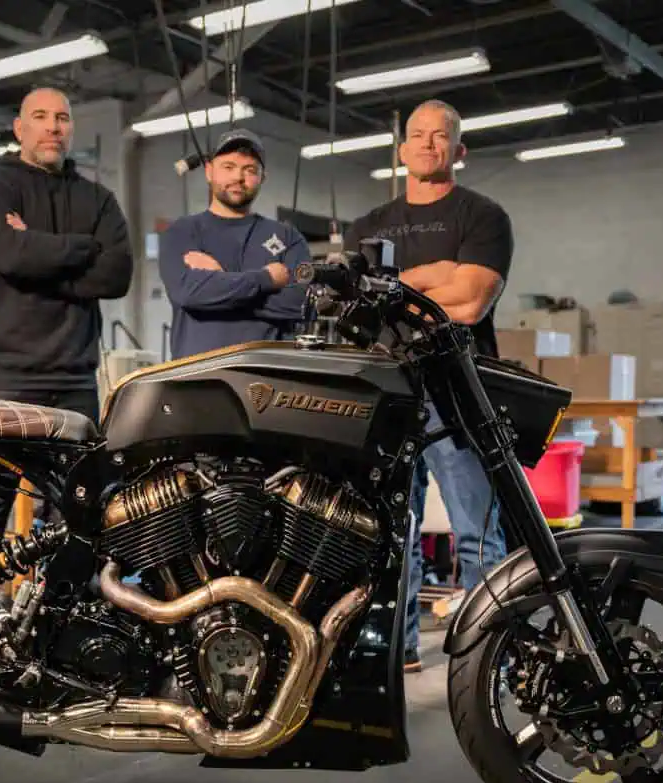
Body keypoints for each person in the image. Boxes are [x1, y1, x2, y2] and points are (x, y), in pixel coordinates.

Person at [343, 99, 514, 673]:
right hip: (387, 391)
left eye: (440, 136)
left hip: (457, 389)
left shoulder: (483, 217)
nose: (427, 143)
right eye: (417, 135)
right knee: (392, 532)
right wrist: (438, 274)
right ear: (401, 150)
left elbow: (468, 302)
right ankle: (400, 649)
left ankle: (493, 652)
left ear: (458, 151)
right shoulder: (368, 226)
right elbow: (355, 310)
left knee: (476, 531)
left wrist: (397, 285)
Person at [0, 86, 134, 568]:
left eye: (62, 118)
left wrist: (36, 249)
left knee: (77, 509)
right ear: (20, 128)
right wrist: (82, 249)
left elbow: (117, 276)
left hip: (76, 379)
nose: (53, 126)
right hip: (4, 378)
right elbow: (9, 255)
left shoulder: (97, 198)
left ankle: (60, 618)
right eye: (41, 116)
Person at [158, 129, 310, 358]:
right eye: (228, 167)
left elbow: (302, 304)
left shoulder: (288, 238)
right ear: (209, 172)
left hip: (267, 379)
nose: (238, 177)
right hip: (198, 378)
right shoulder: (182, 232)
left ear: (262, 178)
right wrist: (266, 279)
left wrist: (220, 283)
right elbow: (188, 293)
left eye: (249, 170)